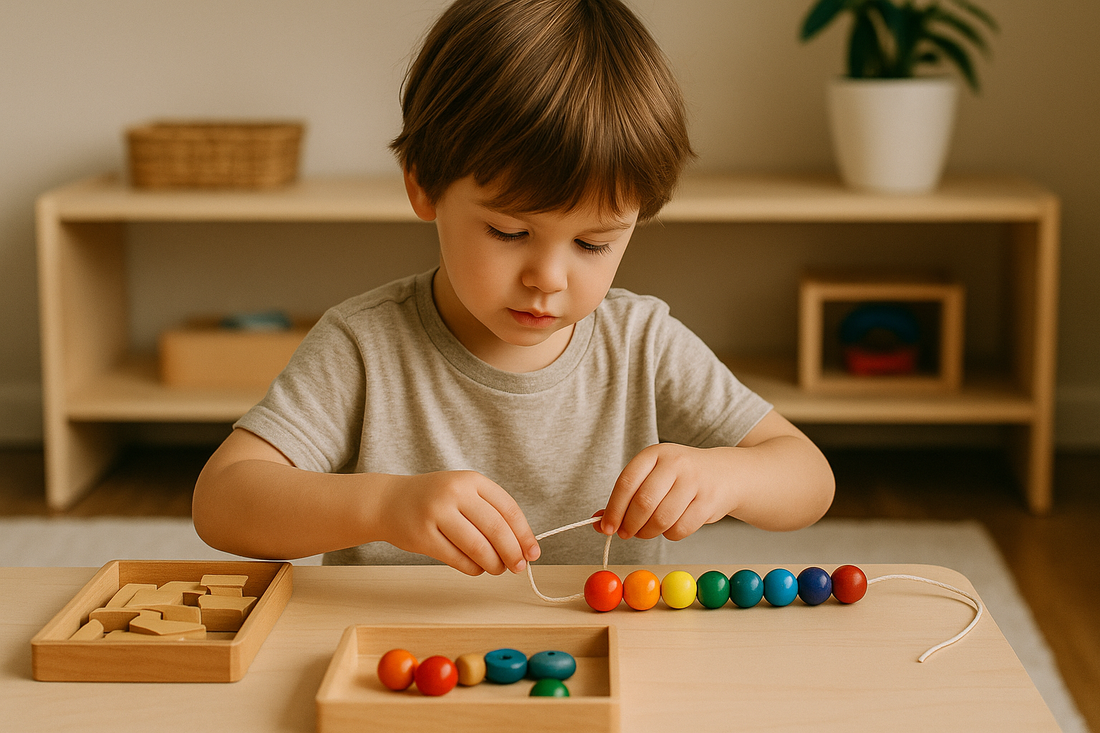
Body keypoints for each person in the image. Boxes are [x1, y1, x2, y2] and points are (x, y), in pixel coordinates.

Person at [192, 0, 834, 576]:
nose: (548, 279)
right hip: (399, 665)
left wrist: (726, 476)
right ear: (423, 185)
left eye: (593, 244)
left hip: (598, 668)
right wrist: (384, 504)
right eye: (507, 231)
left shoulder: (642, 343)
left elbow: (809, 479)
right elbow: (222, 501)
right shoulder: (364, 343)